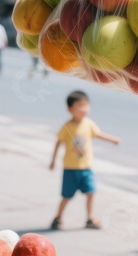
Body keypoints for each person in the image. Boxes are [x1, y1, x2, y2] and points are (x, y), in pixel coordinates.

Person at [49, 90, 120, 230]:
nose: (84, 109)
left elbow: (98, 134)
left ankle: (89, 218)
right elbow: (58, 142)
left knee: (90, 192)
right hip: (70, 168)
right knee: (67, 196)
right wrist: (53, 160)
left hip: (86, 167)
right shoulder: (67, 126)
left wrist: (113, 139)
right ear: (70, 109)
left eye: (86, 105)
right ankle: (57, 218)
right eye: (80, 105)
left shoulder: (88, 123)